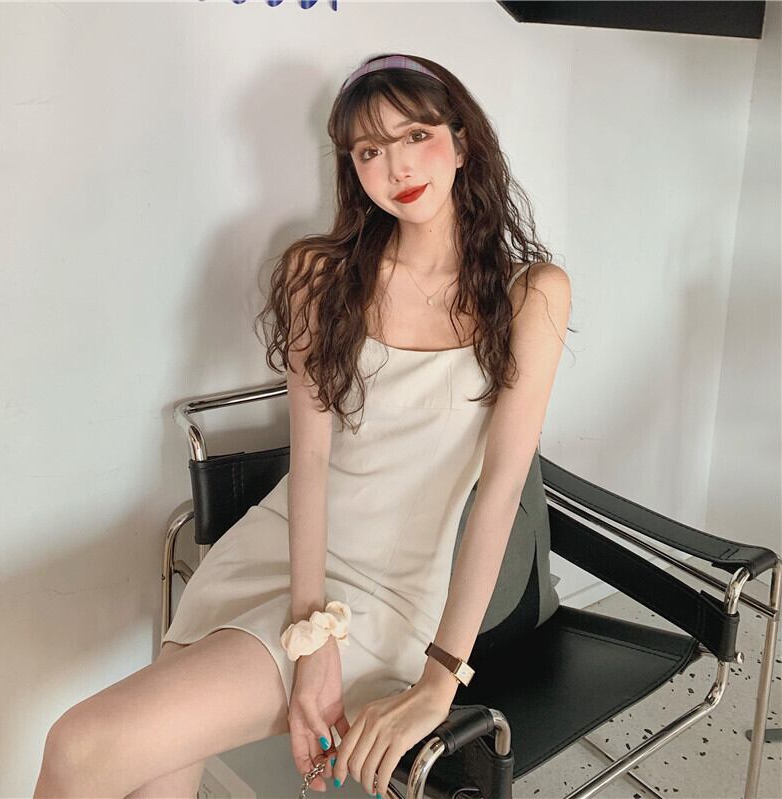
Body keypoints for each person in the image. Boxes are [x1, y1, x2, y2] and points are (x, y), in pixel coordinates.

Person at [33, 52, 572, 799]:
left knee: (80, 745)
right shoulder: (319, 276)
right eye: (369, 151)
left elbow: (502, 488)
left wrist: (440, 678)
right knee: (151, 776)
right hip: (282, 551)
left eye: (416, 136)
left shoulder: (530, 294)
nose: (396, 166)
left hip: (389, 591)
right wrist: (309, 631)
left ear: (461, 141)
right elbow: (311, 462)